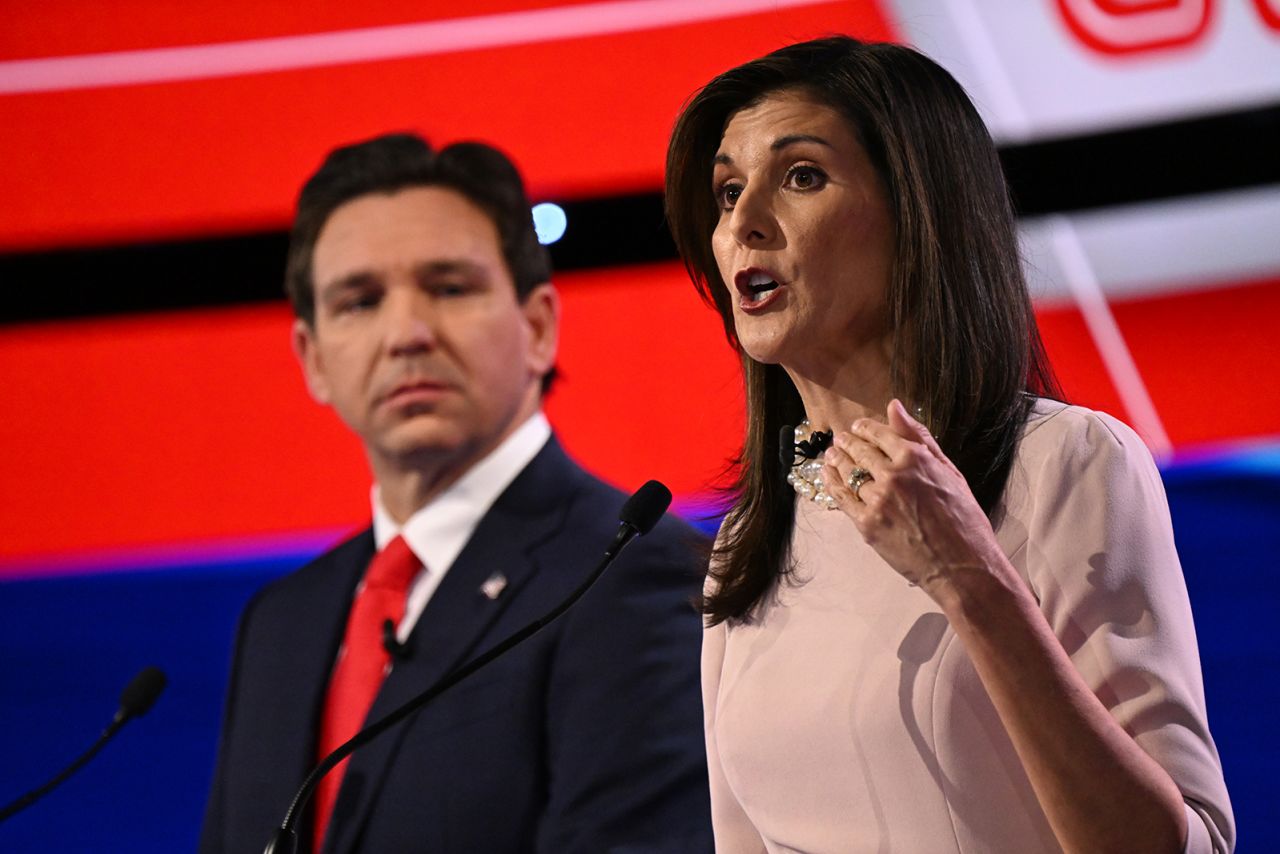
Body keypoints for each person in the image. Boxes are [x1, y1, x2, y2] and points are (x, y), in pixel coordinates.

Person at [665, 36, 1234, 853]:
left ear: (919, 213)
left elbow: (1186, 845)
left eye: (801, 177)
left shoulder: (1067, 463)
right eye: (725, 192)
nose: (744, 225)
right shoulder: (747, 542)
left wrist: (967, 576)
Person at [199, 133, 713, 854]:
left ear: (538, 327)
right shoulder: (281, 623)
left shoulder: (633, 575)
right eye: (359, 301)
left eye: (448, 288)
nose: (407, 333)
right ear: (313, 360)